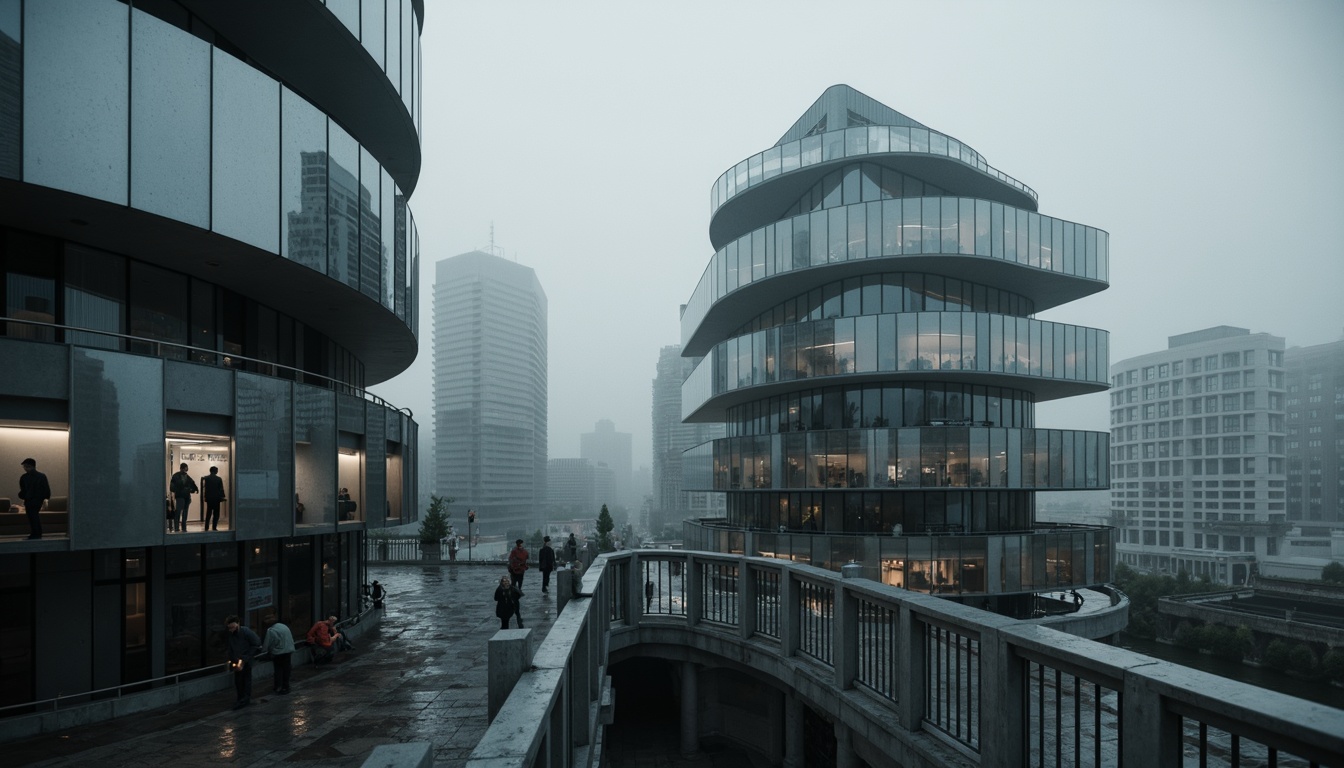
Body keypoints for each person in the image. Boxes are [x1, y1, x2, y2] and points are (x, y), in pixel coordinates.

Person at [224, 615, 261, 709]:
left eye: (232, 627)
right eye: (229, 628)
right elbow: (230, 647)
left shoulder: (245, 632)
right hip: (237, 659)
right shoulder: (232, 634)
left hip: (244, 659)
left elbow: (256, 643)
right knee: (239, 680)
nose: (231, 630)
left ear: (237, 624)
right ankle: (241, 699)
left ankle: (244, 699)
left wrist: (246, 657)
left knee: (245, 680)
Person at [18, 458, 51, 540]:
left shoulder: (24, 477)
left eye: (26, 466)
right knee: (34, 516)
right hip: (38, 500)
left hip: (29, 500)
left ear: (30, 466)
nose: (25, 468)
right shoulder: (42, 476)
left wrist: (22, 495)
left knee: (32, 517)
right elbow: (46, 490)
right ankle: (37, 533)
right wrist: (44, 498)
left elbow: (23, 490)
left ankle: (35, 533)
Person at [260, 617, 295, 695]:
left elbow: (268, 643)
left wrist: (265, 651)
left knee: (278, 669)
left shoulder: (271, 630)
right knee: (286, 669)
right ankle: (286, 686)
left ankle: (278, 686)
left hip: (279, 652)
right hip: (289, 650)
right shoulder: (284, 626)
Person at [169, 462, 198, 532]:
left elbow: (192, 485)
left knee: (183, 512)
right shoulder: (181, 476)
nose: (185, 471)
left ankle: (181, 527)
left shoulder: (179, 476)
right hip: (181, 496)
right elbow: (172, 487)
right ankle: (179, 527)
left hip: (184, 496)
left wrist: (193, 489)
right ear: (182, 469)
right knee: (180, 512)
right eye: (185, 469)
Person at [201, 465, 226, 531]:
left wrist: (205, 497)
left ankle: (206, 527)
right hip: (216, 498)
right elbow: (221, 489)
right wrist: (222, 496)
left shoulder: (206, 478)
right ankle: (214, 527)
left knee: (208, 513)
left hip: (209, 498)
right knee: (216, 514)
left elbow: (204, 488)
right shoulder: (219, 479)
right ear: (215, 471)